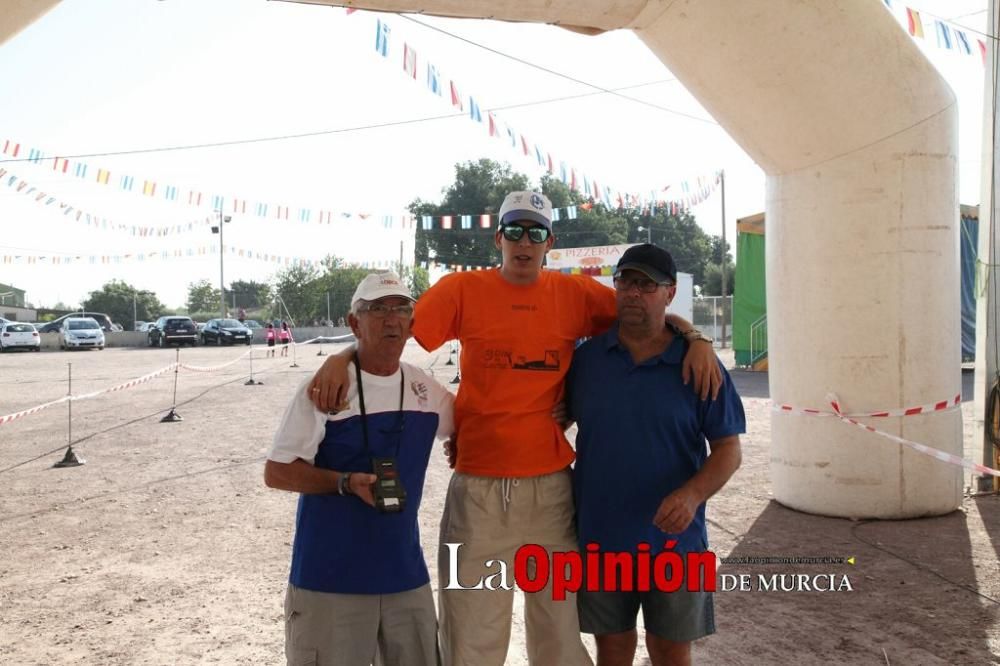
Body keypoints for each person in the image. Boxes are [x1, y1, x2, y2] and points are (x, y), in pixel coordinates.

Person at [308, 191, 721, 666]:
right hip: (478, 492)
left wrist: (695, 336)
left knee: (559, 636)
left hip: (550, 493)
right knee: (470, 638)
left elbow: (643, 309)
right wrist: (341, 357)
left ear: (550, 241)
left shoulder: (575, 294)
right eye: (515, 231)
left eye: (536, 232)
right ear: (498, 237)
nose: (525, 242)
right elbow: (388, 326)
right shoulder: (461, 290)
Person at [567, 243, 745, 666]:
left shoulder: (698, 364)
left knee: (669, 650)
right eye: (625, 281)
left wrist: (692, 495)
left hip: (675, 544)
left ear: (669, 293)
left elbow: (728, 450)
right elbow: (550, 420)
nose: (633, 292)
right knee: (611, 647)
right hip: (601, 536)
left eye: (646, 284)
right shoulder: (587, 361)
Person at [265, 271, 454, 666]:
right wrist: (344, 483)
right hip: (330, 579)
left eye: (401, 309)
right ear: (354, 323)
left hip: (405, 579)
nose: (391, 319)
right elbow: (278, 471)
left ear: (411, 322)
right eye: (377, 309)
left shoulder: (426, 391)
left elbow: (474, 428)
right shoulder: (326, 387)